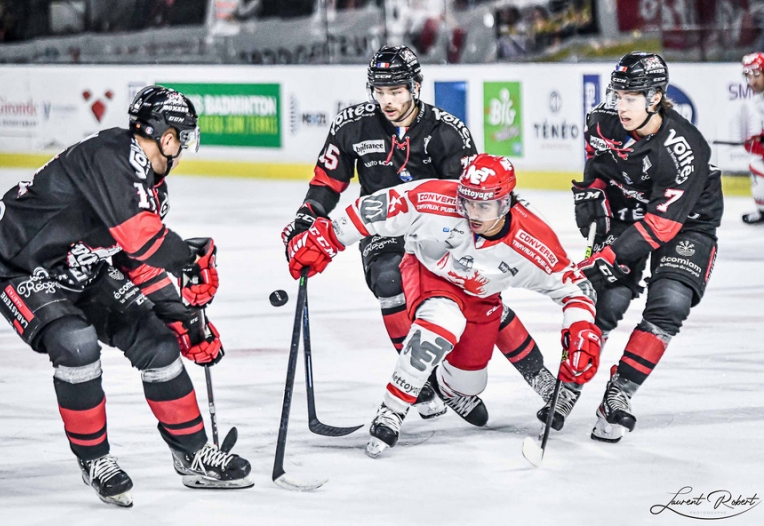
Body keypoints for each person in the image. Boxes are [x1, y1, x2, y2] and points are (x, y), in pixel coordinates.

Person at [0, 86, 252, 507]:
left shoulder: (148, 188)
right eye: (185, 137)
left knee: (158, 343)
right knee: (76, 343)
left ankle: (193, 452)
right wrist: (190, 259)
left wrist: (183, 320)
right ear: (167, 137)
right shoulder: (113, 155)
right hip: (19, 266)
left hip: (80, 265)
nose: (183, 149)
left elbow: (136, 262)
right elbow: (141, 239)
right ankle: (95, 460)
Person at [281, 45, 560, 422]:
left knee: (479, 294)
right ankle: (425, 382)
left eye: (395, 91)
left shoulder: (447, 132)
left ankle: (538, 376)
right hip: (383, 227)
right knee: (388, 279)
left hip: (440, 230)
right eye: (379, 92)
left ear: (415, 87)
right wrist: (306, 218)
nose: (387, 101)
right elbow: (328, 181)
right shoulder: (352, 125)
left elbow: (471, 200)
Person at [285, 153, 602, 457]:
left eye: (484, 206)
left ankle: (448, 389)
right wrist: (326, 238)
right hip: (429, 273)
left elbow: (575, 290)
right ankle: (391, 411)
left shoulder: (533, 239)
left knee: (469, 383)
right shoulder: (435, 198)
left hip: (482, 296)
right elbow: (373, 209)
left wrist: (580, 327)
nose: (473, 213)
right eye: (468, 202)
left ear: (505, 203)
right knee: (440, 326)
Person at [572, 52, 723, 443]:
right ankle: (569, 383)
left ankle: (618, 395)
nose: (620, 105)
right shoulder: (601, 122)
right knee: (605, 300)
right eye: (618, 95)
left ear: (655, 97)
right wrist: (592, 194)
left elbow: (660, 225)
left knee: (670, 302)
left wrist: (611, 255)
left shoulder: (682, 147)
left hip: (687, 223)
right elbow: (597, 169)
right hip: (628, 210)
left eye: (631, 97)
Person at [740, 51, 764, 224]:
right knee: (756, 159)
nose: (752, 81)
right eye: (748, 76)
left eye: (756, 74)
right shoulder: (759, 98)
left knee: (756, 163)